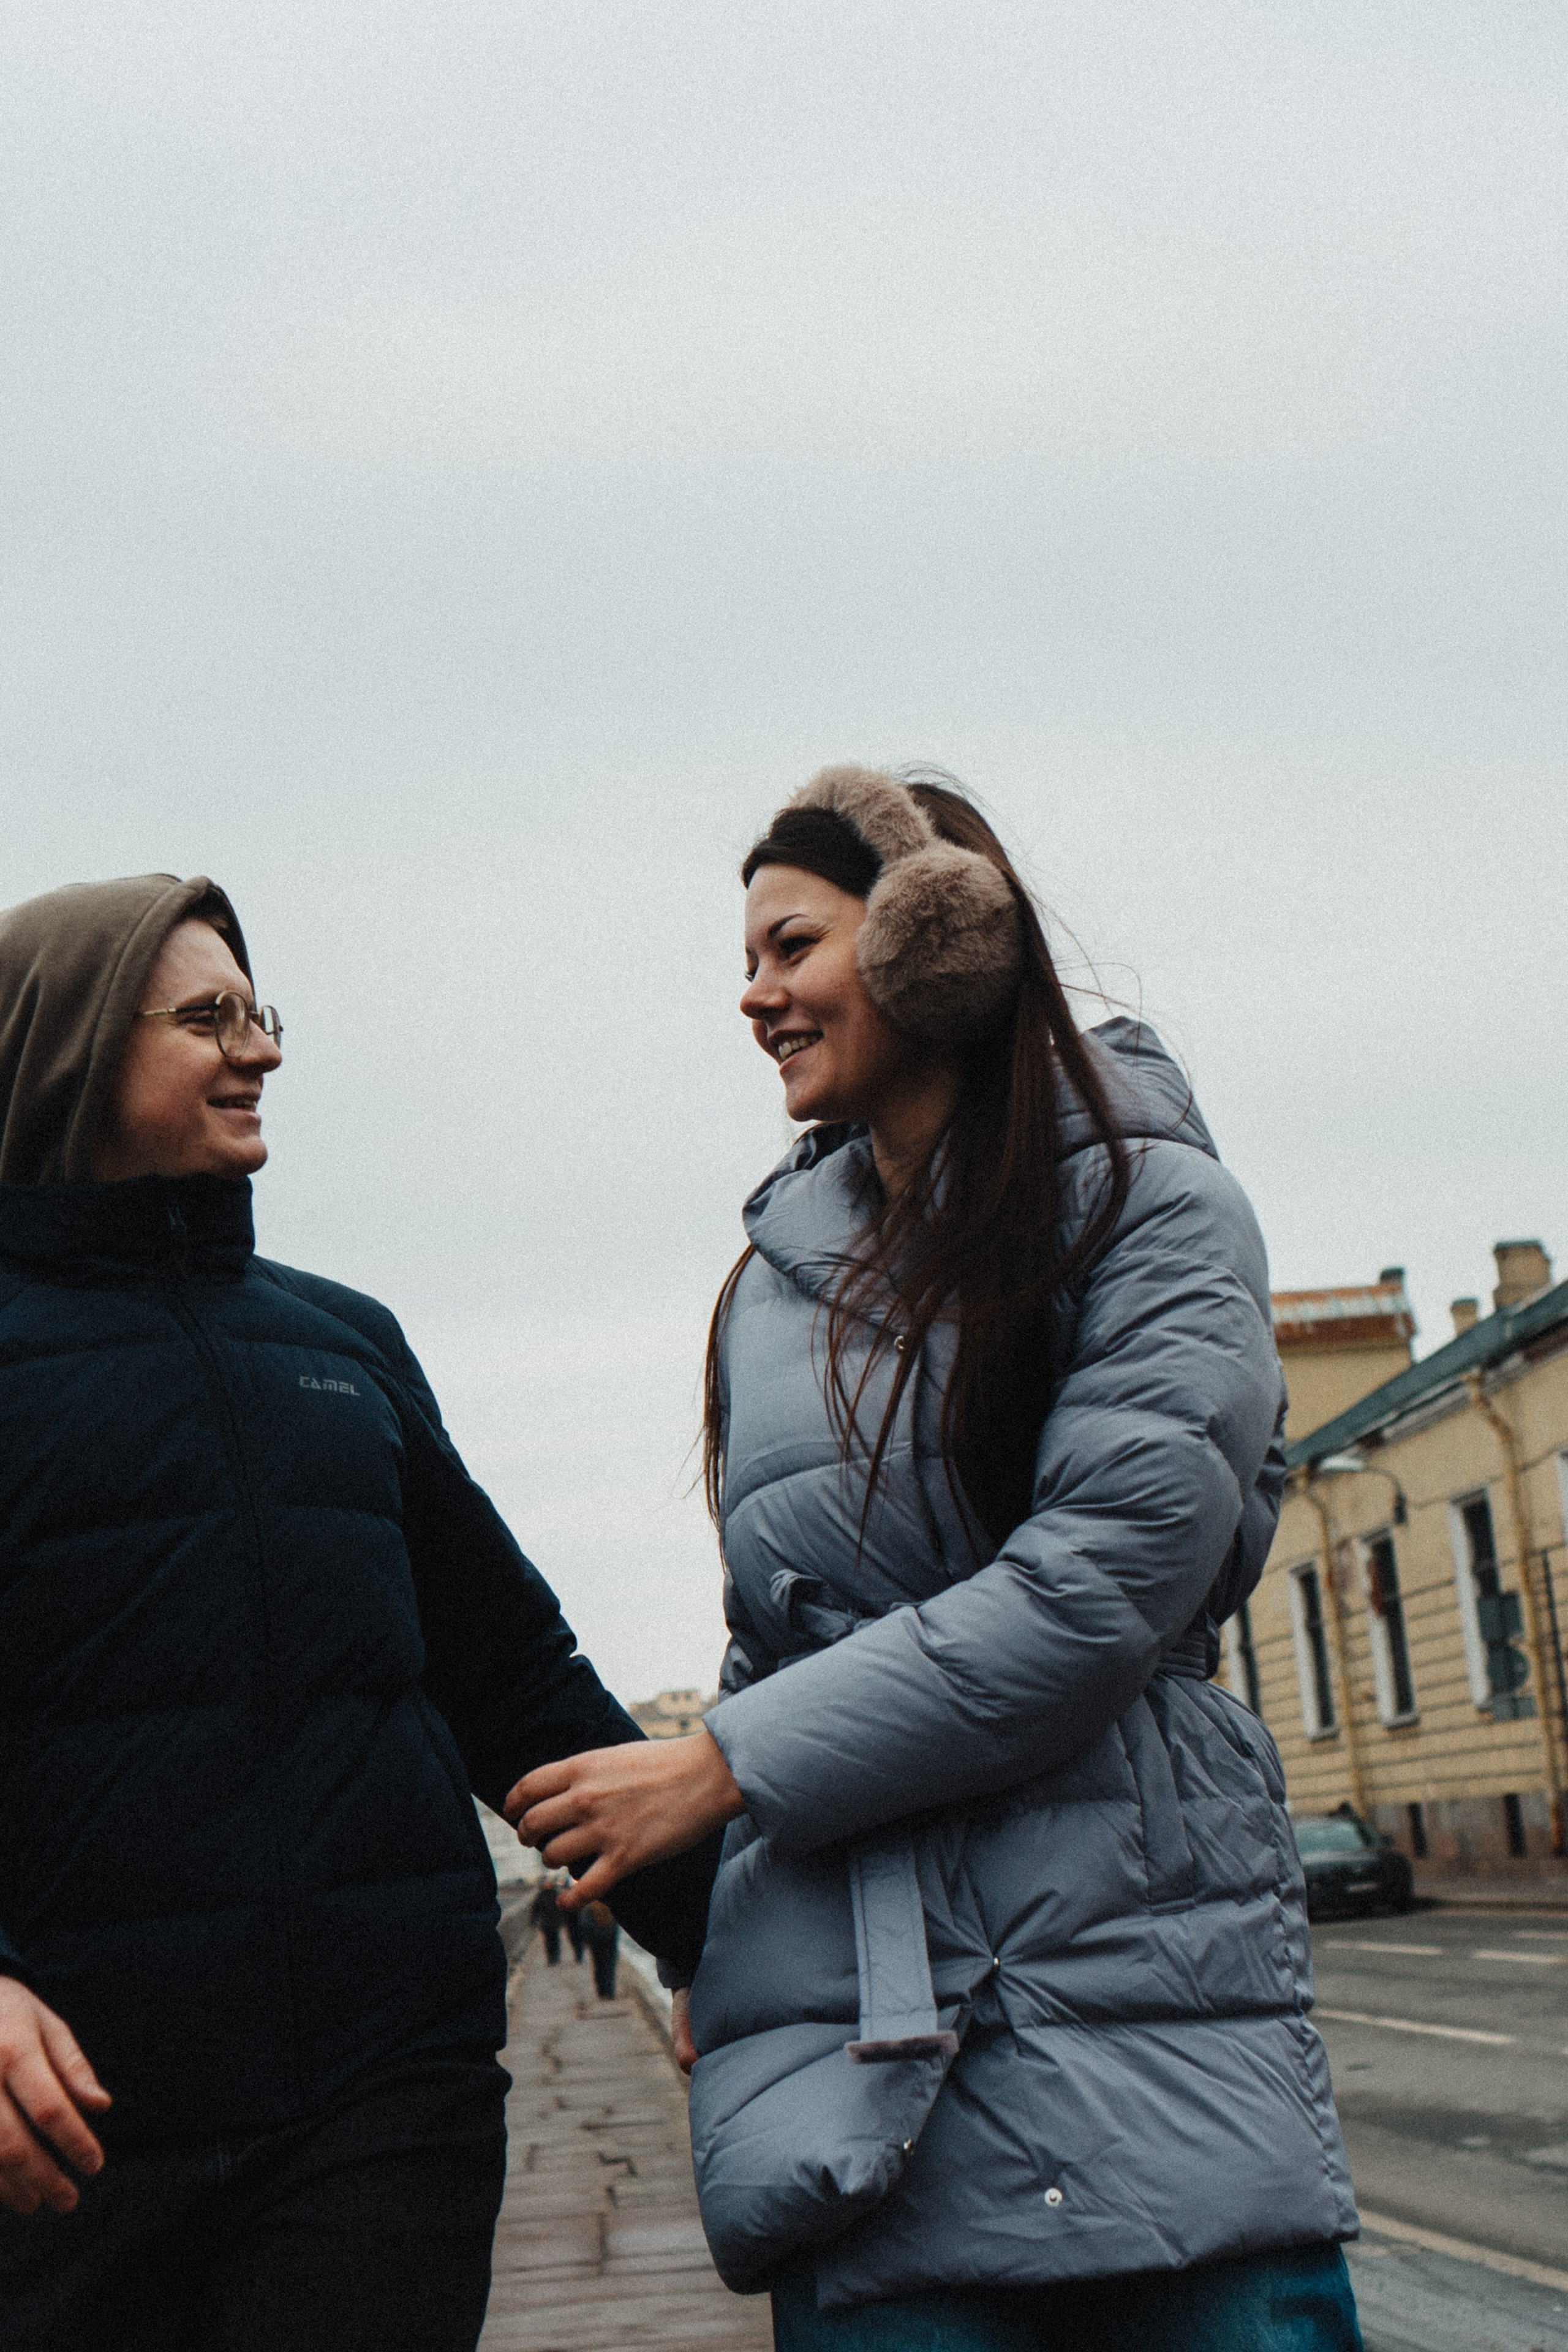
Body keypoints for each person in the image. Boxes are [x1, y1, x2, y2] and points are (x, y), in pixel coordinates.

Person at [509, 771, 1364, 2350]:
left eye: (789, 944)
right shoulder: (769, 1284)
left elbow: (1095, 1592)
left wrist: (722, 1768)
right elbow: (776, 1629)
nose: (751, 994)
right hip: (862, 2056)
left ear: (931, 941)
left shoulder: (1158, 1214)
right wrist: (735, 1943)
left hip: (1142, 2019)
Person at [0, 874, 717, 2352]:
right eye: (208, 1014)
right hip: (66, 2138)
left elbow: (513, 1679)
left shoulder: (345, 1340)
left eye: (260, 1011)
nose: (258, 1047)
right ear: (68, 1047)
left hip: (386, 2099)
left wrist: (724, 1947)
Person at [576, 1901, 620, 2001]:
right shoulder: (610, 1908)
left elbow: (585, 1926)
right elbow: (615, 1926)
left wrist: (589, 1940)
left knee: (599, 1967)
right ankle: (610, 1991)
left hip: (596, 1944)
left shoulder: (589, 1909)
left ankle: (602, 1991)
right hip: (610, 1943)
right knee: (610, 1967)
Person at [530, 1878, 565, 1966]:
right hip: (545, 1922)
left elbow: (562, 1908)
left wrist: (563, 1919)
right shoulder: (540, 1896)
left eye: (549, 1883)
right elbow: (535, 1909)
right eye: (546, 1883)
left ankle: (556, 1957)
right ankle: (551, 1959)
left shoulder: (556, 1894)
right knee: (548, 1942)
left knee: (555, 1940)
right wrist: (533, 1920)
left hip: (555, 1921)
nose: (548, 1884)